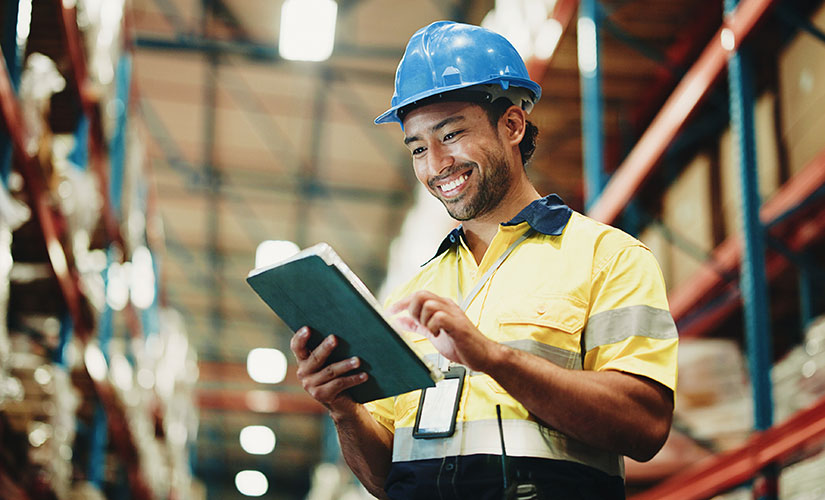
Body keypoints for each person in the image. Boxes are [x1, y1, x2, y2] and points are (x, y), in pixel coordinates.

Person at [290, 21, 678, 500]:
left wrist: (492, 358)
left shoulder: (608, 258)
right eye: (417, 148)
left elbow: (645, 425)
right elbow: (385, 478)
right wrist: (344, 409)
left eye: (451, 135)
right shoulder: (410, 295)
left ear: (512, 125)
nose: (435, 165)